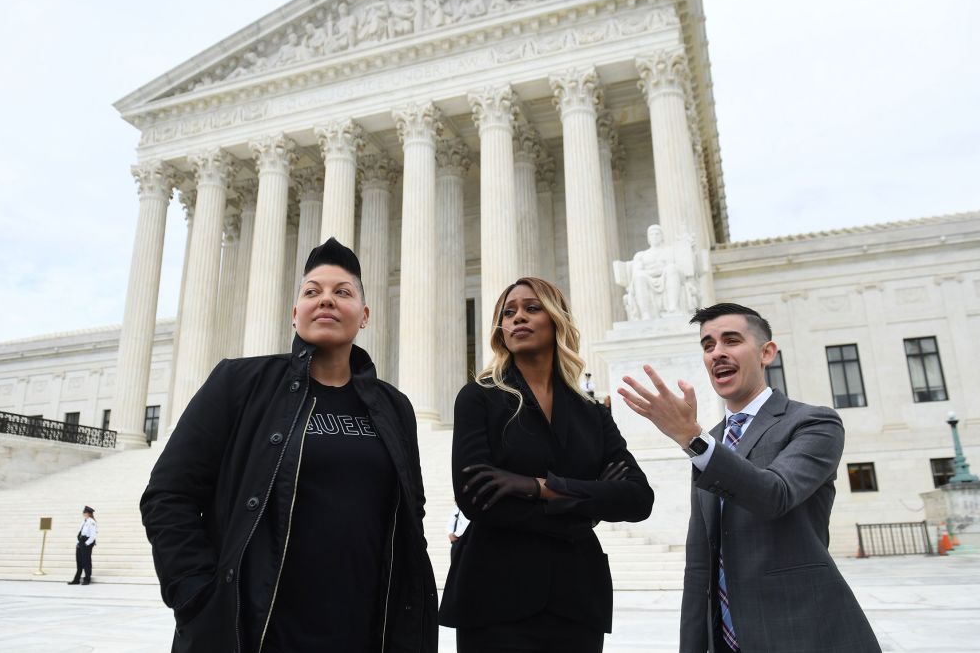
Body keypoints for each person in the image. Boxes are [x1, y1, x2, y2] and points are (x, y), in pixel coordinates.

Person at [141, 237, 437, 653]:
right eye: (312, 292)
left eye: (343, 292)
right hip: (262, 631)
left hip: (364, 631)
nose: (326, 301)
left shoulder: (395, 407)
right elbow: (168, 495)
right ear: (294, 312)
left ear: (365, 315)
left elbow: (410, 516)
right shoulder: (239, 384)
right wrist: (194, 593)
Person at [617, 302, 880, 653]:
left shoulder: (813, 423)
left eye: (731, 340)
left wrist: (693, 440)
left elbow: (775, 494)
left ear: (766, 352)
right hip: (723, 638)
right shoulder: (708, 441)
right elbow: (700, 562)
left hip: (800, 630)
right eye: (708, 345)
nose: (717, 354)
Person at [440, 276, 654, 653]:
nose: (518, 317)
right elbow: (475, 497)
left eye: (532, 308)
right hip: (494, 600)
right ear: (501, 330)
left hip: (576, 602)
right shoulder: (479, 398)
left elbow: (638, 498)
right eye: (509, 312)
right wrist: (585, 508)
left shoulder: (592, 411)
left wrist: (534, 487)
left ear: (557, 320)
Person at [68, 505, 96, 585]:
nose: (84, 513)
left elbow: (93, 536)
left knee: (86, 562)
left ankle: (87, 579)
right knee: (79, 562)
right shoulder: (84, 521)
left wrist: (86, 544)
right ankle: (76, 579)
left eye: (86, 512)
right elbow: (80, 533)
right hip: (80, 542)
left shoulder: (92, 522)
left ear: (90, 513)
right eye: (84, 512)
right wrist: (78, 543)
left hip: (86, 543)